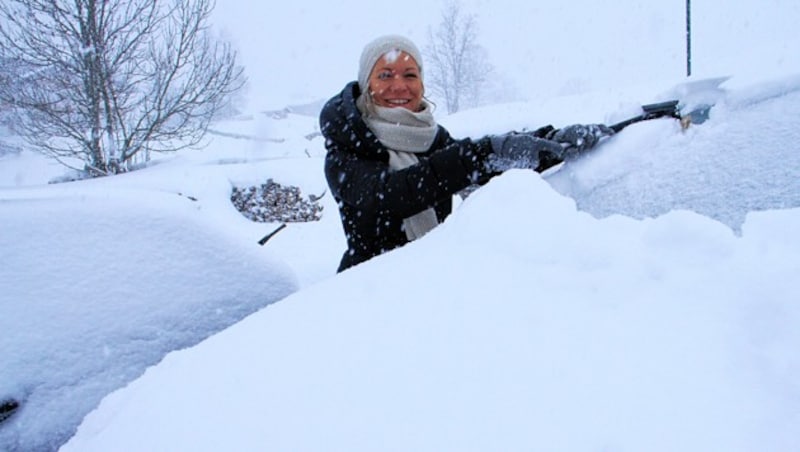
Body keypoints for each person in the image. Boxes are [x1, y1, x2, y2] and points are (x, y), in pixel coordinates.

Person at [320, 34, 613, 272]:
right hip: (365, 293)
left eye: (410, 74)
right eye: (385, 74)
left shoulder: (430, 139)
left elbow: (480, 168)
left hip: (429, 279)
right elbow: (392, 195)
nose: (400, 85)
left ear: (421, 83)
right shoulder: (346, 145)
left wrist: (551, 144)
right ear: (366, 83)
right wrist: (478, 153)